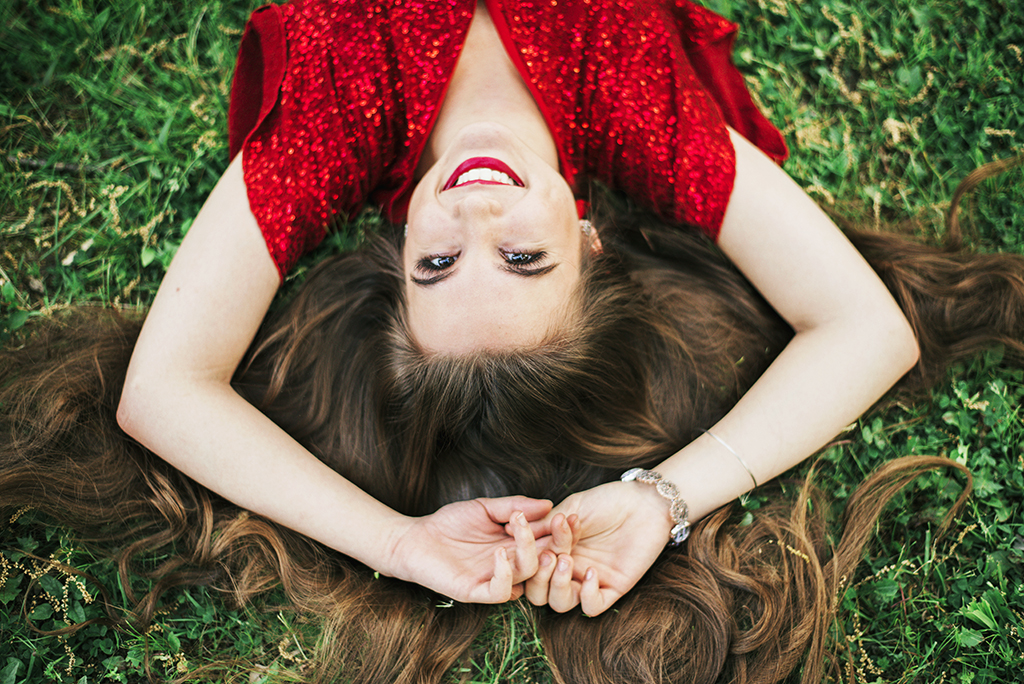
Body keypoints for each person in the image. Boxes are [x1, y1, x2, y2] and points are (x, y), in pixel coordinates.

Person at [2, 0, 1023, 682]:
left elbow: (161, 393)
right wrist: (664, 497)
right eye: (526, 262)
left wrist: (396, 543)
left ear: (394, 248)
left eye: (437, 267)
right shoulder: (624, 92)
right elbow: (866, 329)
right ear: (589, 238)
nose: (471, 224)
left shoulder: (340, 100)